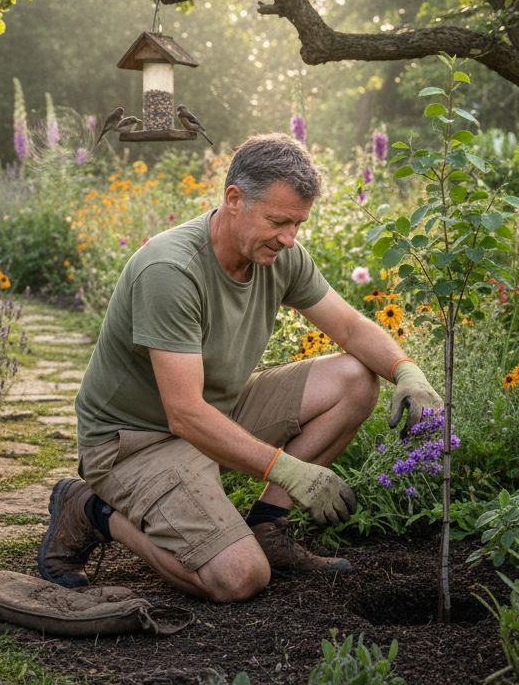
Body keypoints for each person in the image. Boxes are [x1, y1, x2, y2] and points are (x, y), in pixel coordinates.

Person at [39, 133, 443, 602]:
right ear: (234, 199)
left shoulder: (279, 255)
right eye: (278, 221)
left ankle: (269, 526)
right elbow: (184, 414)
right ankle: (90, 510)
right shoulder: (171, 271)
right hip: (134, 442)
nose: (289, 238)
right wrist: (291, 470)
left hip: (216, 411)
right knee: (239, 577)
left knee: (355, 379)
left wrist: (408, 372)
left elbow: (350, 328)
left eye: (298, 224)